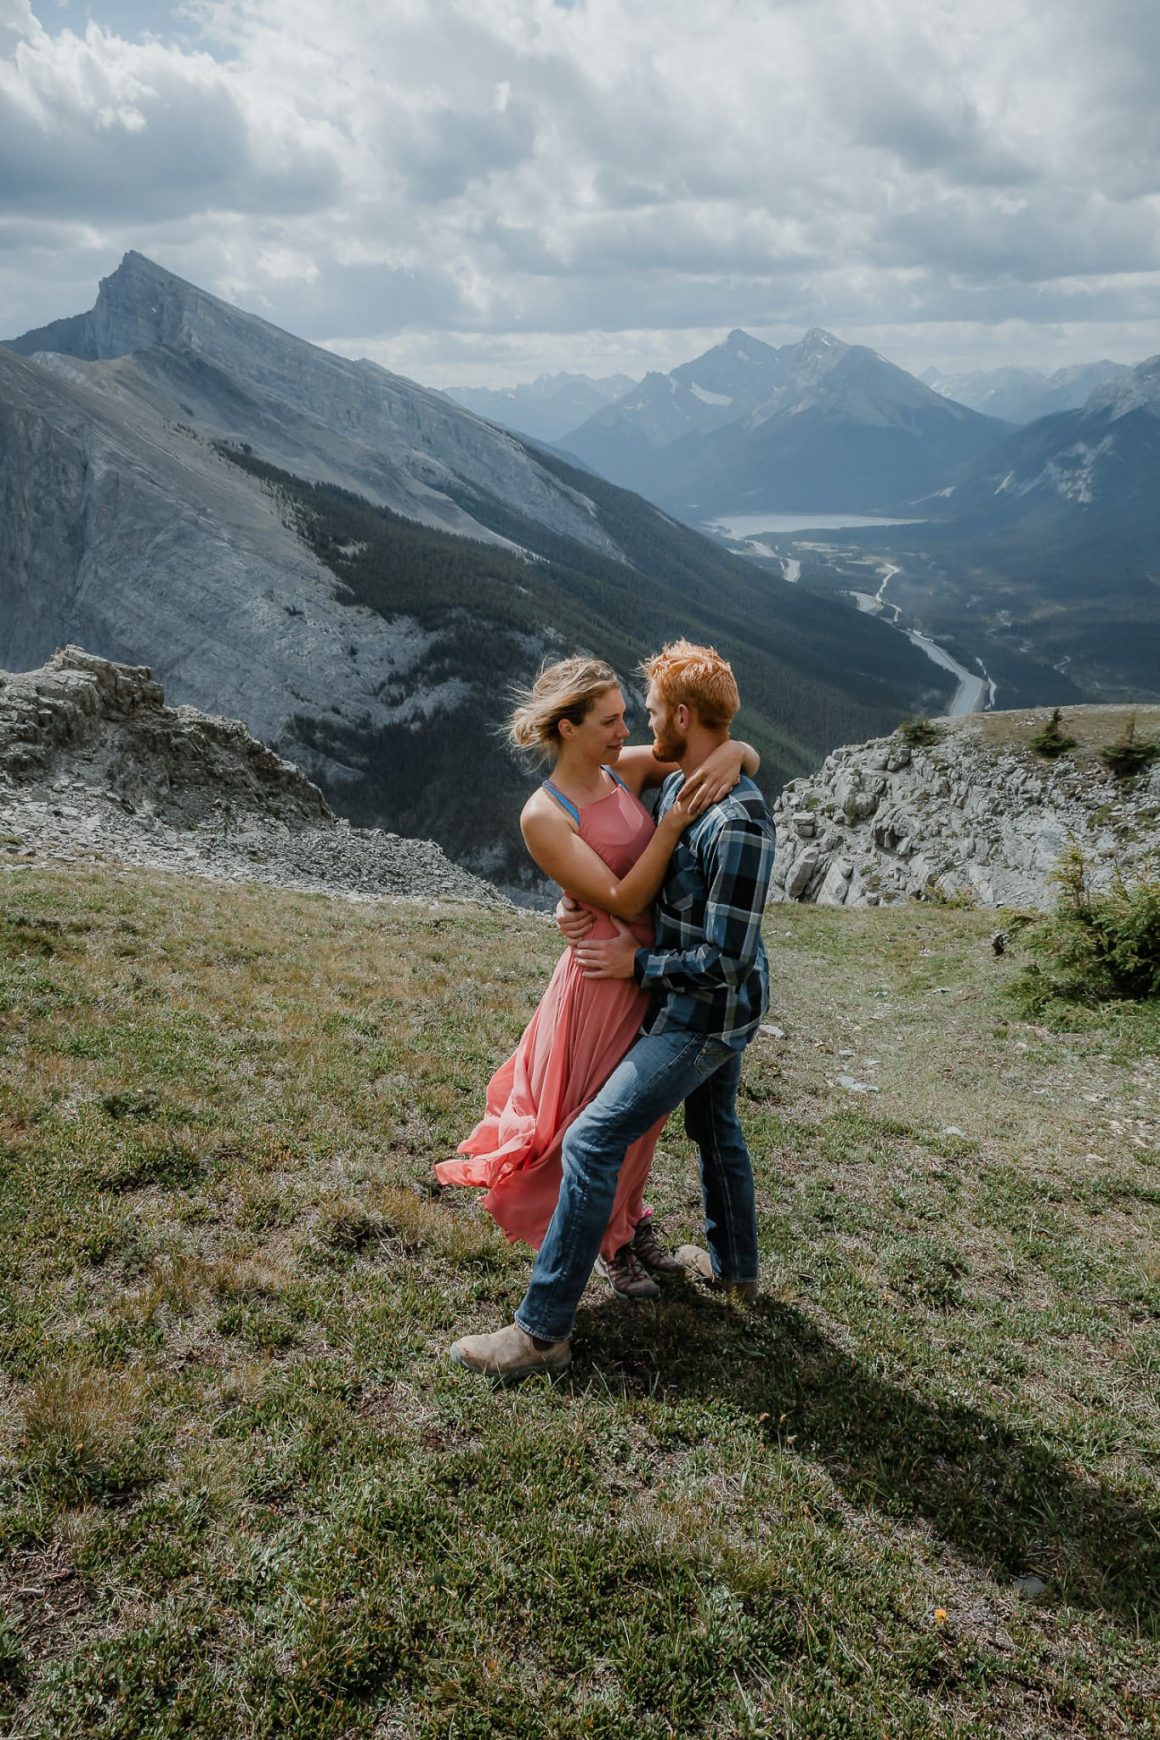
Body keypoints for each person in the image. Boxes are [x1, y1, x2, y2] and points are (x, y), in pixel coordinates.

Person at [451, 640, 776, 1382]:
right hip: (639, 983)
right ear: (568, 727)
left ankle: (542, 1333)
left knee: (597, 1137)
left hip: (686, 998)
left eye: (644, 713)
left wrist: (744, 751)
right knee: (707, 1123)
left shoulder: (708, 806)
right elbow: (629, 884)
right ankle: (730, 1271)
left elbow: (710, 940)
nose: (630, 729)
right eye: (612, 718)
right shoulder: (568, 803)